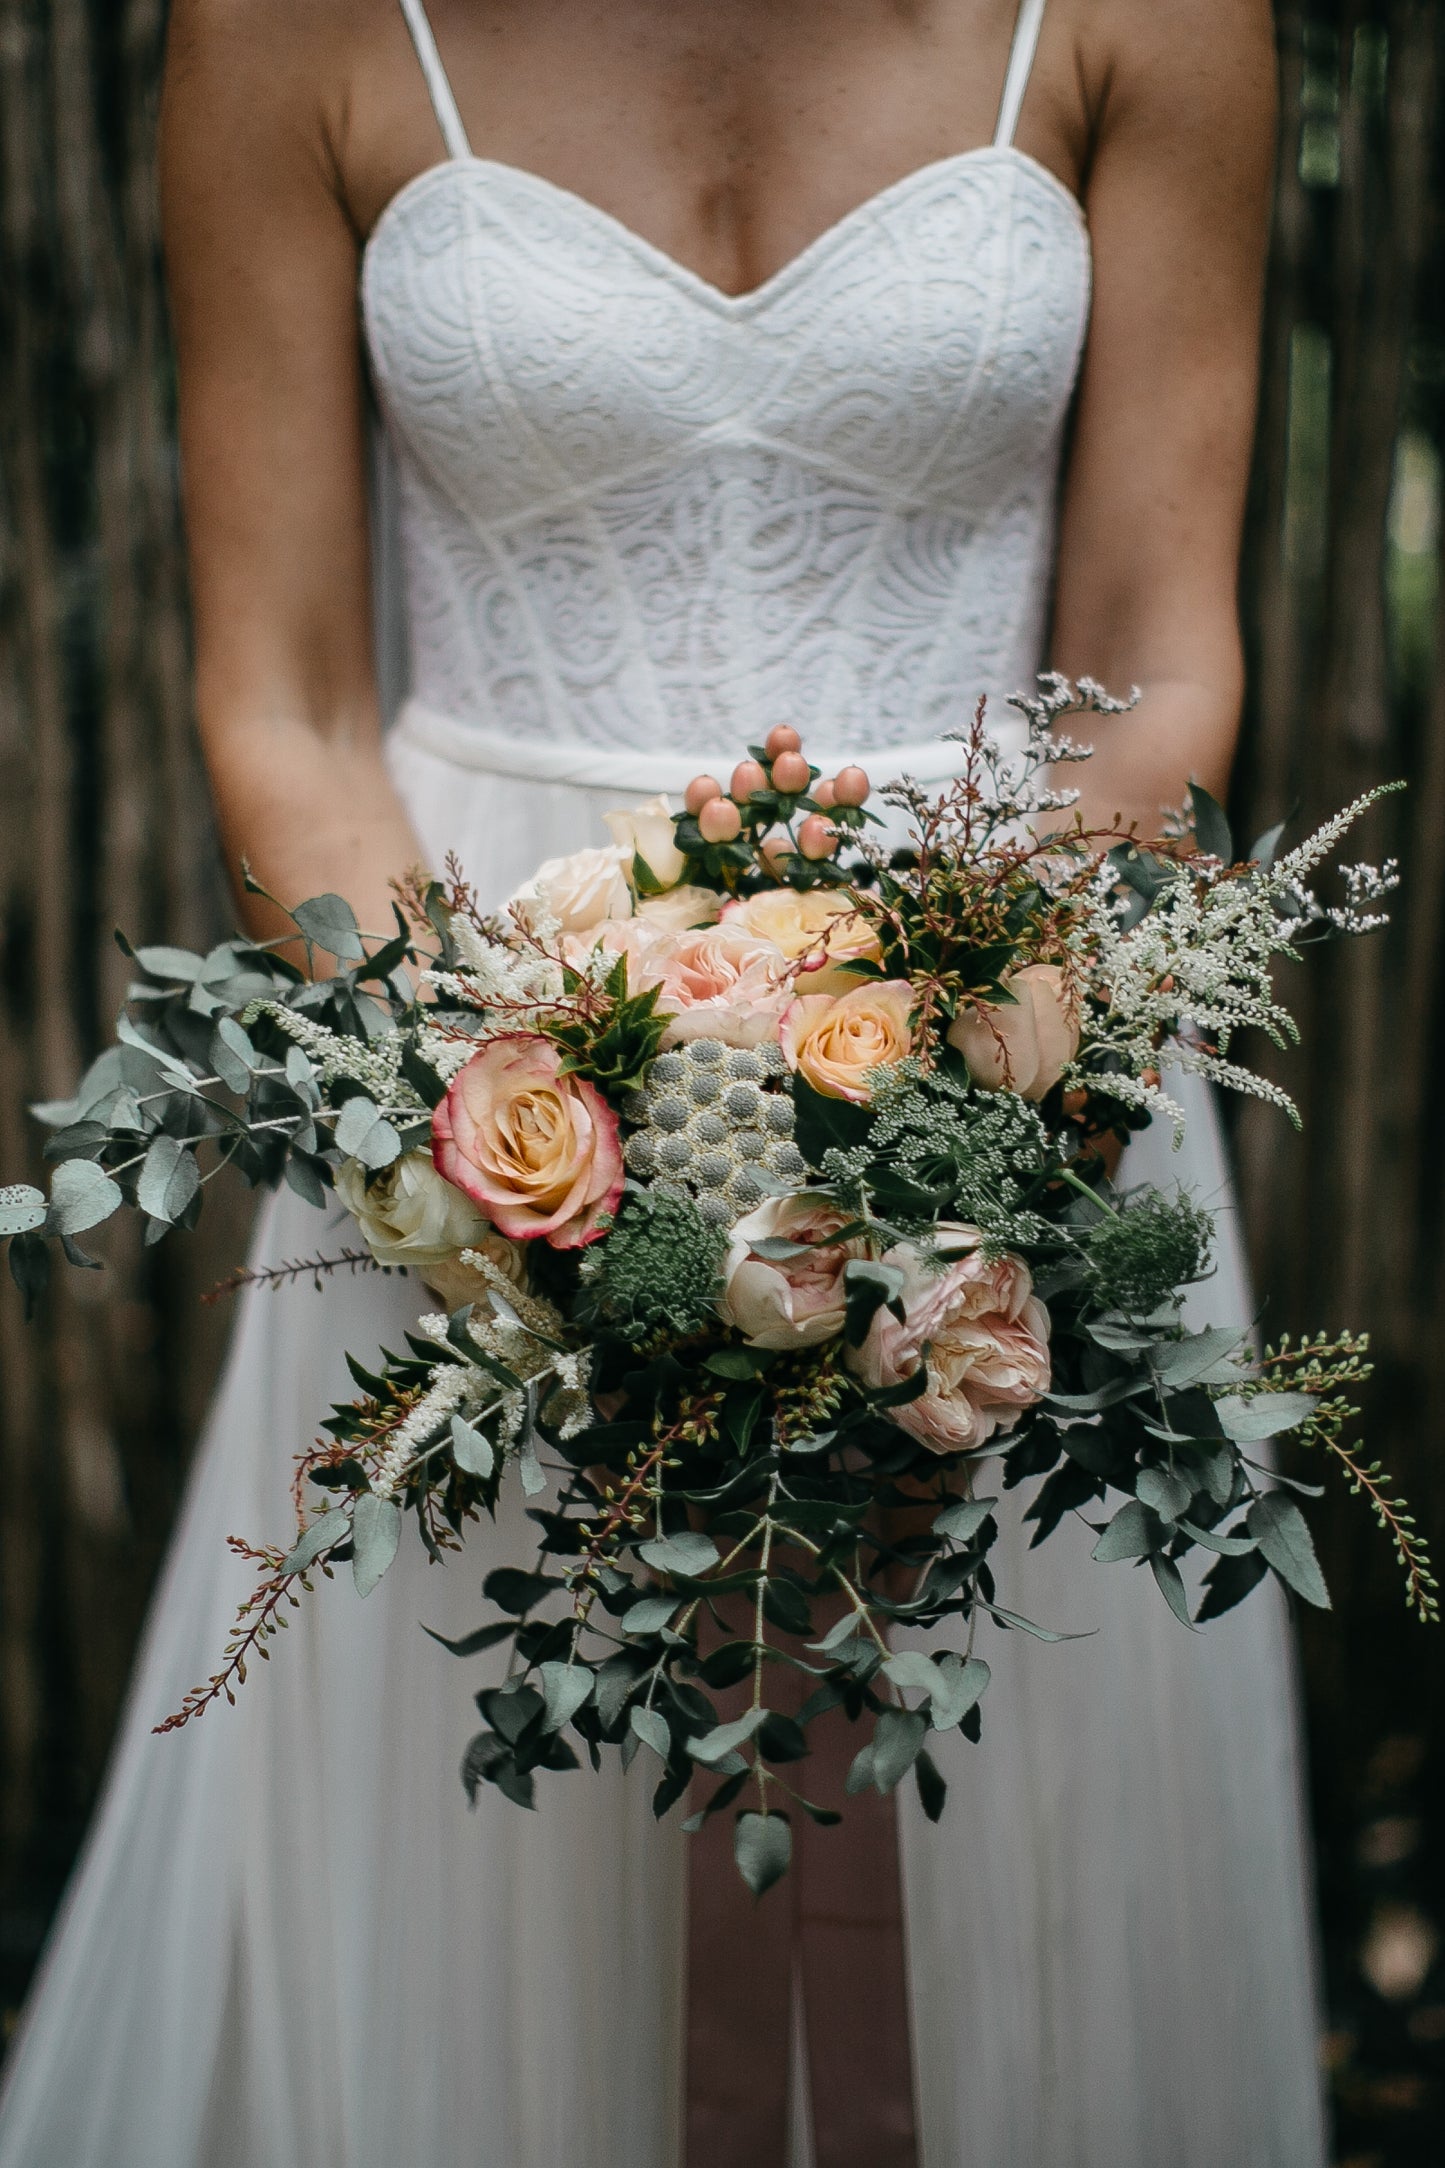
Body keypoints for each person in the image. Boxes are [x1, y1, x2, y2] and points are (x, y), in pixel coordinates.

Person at [0, 1, 1327, 2161]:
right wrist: (495, 1133)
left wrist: (979, 1146)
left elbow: (1160, 652)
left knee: (1023, 1865)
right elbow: (292, 697)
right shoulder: (285, 28)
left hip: (1021, 1067)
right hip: (471, 1090)